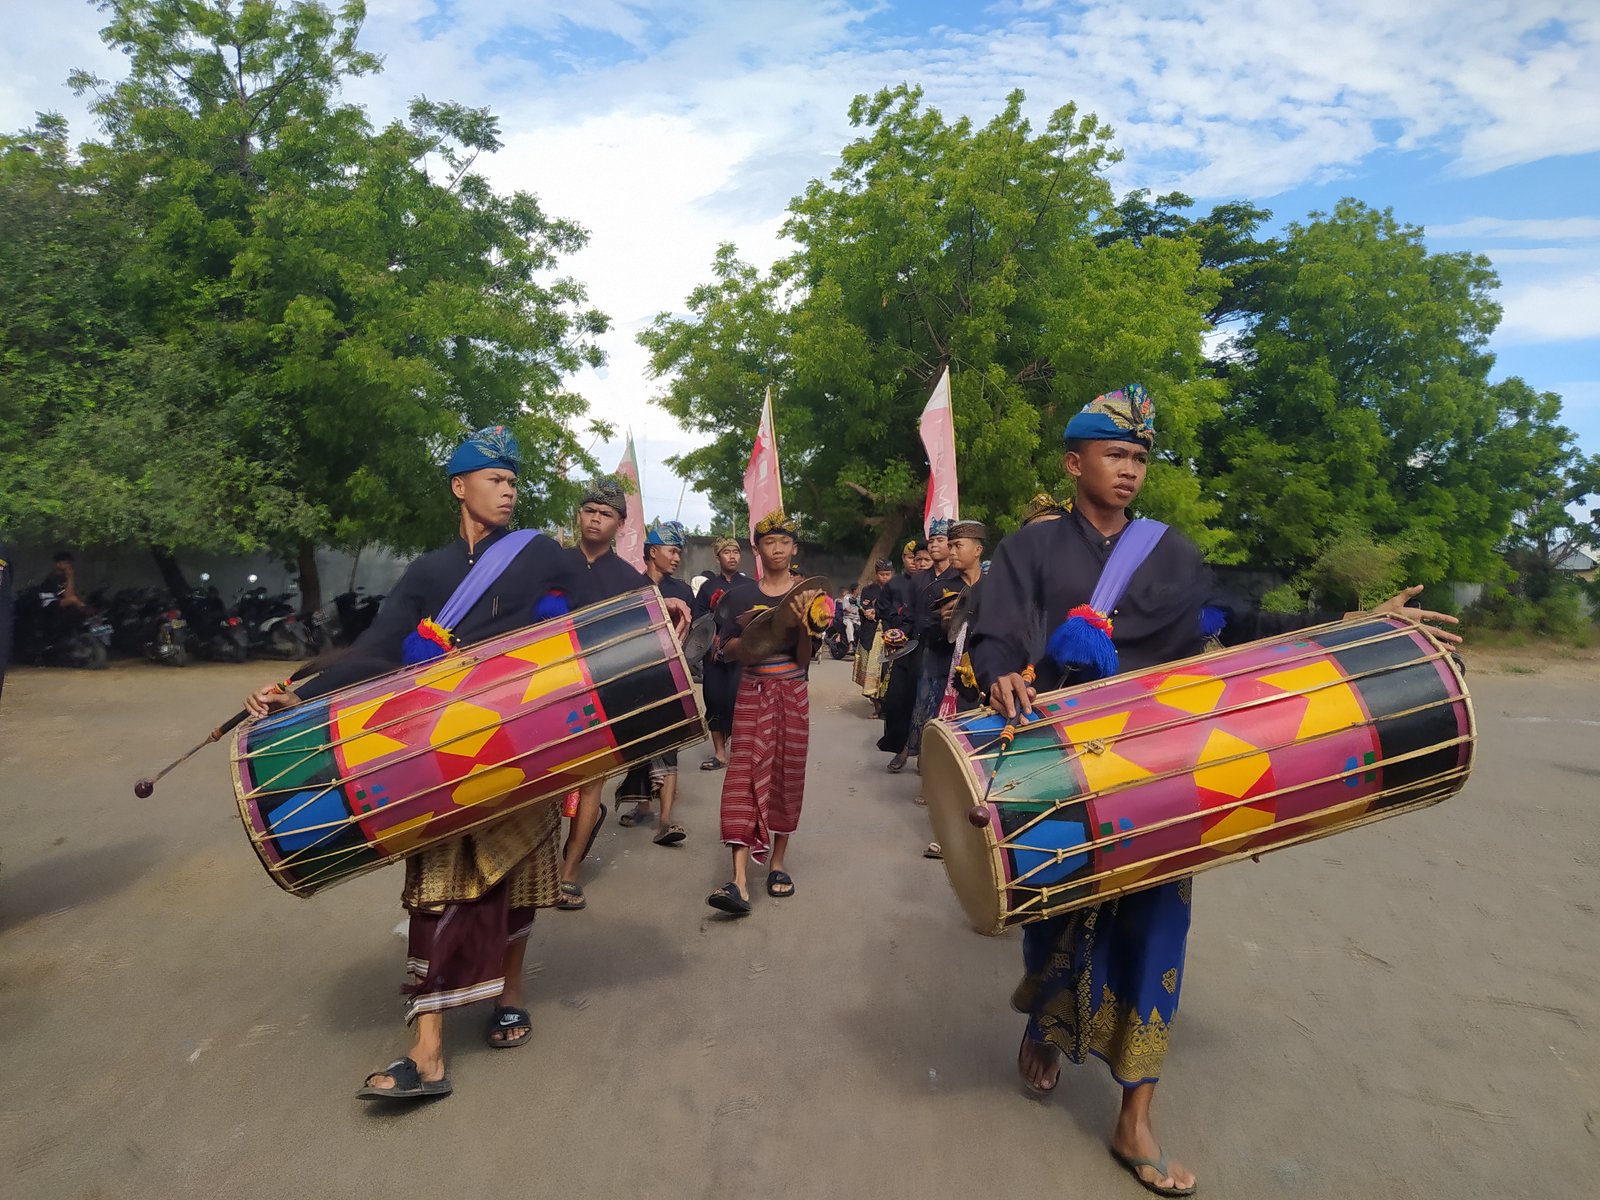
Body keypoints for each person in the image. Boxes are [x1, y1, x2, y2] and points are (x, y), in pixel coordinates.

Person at [969, 385, 1462, 1195]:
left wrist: (1351, 627)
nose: (1129, 470)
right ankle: (1049, 1025)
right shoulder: (1032, 548)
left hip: (1164, 771)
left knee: (1158, 929)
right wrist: (999, 675)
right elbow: (996, 631)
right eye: (1114, 454)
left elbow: (1236, 629)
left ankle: (1136, 1115)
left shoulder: (1172, 553)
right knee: (1054, 923)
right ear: (1073, 462)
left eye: (1139, 458)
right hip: (1061, 770)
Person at [242, 425, 579, 1102]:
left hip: (523, 746)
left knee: (519, 880)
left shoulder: (540, 553)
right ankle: (427, 1048)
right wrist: (302, 694)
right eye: (495, 480)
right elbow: (377, 648)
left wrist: (668, 598)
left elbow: (606, 594)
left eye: (513, 482)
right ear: (459, 486)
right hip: (437, 758)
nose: (508, 492)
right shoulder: (428, 571)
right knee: (435, 890)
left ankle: (509, 993)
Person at [557, 479, 690, 910]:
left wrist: (668, 607)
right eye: (589, 510)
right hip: (545, 695)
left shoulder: (630, 582)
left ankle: (569, 873)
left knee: (590, 786)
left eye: (606, 514)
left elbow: (647, 639)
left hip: (597, 697)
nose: (595, 519)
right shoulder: (550, 564)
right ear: (579, 514)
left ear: (621, 524)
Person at [705, 513, 822, 916]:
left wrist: (801, 628)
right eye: (769, 542)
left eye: (784, 542)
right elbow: (725, 650)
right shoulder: (739, 596)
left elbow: (806, 659)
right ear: (758, 549)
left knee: (787, 774)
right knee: (742, 775)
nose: (777, 549)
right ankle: (738, 880)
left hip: (792, 692)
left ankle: (777, 863)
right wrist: (756, 636)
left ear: (794, 548)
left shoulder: (811, 597)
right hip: (752, 692)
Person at [615, 519, 694, 846]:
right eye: (672, 551)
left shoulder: (683, 591)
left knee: (670, 744)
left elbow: (694, 637)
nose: (677, 558)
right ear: (652, 551)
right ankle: (643, 805)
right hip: (636, 677)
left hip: (671, 678)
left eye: (679, 553)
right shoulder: (631, 587)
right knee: (640, 745)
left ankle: (665, 820)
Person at [920, 518, 988, 854]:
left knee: (980, 758)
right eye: (950, 544)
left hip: (984, 683)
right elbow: (926, 632)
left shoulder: (995, 587)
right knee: (952, 761)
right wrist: (943, 624)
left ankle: (982, 833)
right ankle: (947, 836)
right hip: (947, 683)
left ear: (978, 549)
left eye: (958, 545)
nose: (951, 551)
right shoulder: (940, 588)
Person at [694, 537, 752, 771]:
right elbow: (697, 620)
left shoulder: (750, 586)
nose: (732, 556)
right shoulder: (708, 587)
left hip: (741, 654)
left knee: (741, 701)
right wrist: (714, 612)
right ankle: (720, 753)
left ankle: (741, 753)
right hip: (714, 655)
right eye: (726, 552)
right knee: (714, 698)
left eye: (736, 552)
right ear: (718, 558)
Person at [876, 539, 925, 770]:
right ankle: (900, 746)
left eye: (923, 559)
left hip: (930, 651)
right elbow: (884, 611)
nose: (917, 563)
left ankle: (919, 752)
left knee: (923, 703)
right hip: (902, 649)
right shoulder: (895, 584)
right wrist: (894, 633)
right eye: (913, 558)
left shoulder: (940, 583)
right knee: (897, 700)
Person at [855, 558, 895, 705]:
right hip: (871, 634)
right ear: (876, 574)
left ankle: (884, 704)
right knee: (870, 670)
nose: (885, 577)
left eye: (887, 574)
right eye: (882, 574)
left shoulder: (896, 589)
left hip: (890, 633)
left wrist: (878, 613)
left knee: (886, 670)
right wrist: (867, 613)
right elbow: (863, 608)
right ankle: (876, 703)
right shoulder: (868, 590)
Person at [837, 584, 862, 651]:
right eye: (858, 589)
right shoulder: (847, 597)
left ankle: (860, 647)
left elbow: (862, 607)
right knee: (849, 626)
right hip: (848, 618)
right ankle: (851, 644)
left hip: (857, 619)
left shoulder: (859, 598)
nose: (859, 590)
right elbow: (846, 608)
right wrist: (854, 611)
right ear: (854, 590)